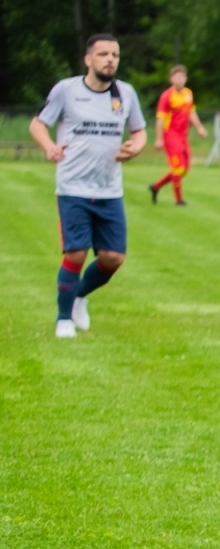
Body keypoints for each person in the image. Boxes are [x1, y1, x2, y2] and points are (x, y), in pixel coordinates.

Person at [30, 34, 147, 339]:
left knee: (113, 258)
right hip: (73, 187)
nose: (110, 59)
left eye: (115, 54)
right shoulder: (66, 90)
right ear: (88, 59)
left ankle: (79, 296)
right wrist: (48, 147)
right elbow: (38, 124)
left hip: (110, 189)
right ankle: (63, 319)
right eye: (103, 54)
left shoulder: (126, 93)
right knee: (77, 254)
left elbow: (140, 131)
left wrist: (135, 148)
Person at [149, 64, 207, 205]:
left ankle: (156, 186)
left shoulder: (188, 93)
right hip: (170, 135)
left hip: (183, 136)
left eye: (182, 77)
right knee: (178, 168)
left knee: (184, 169)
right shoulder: (167, 96)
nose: (179, 80)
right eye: (176, 77)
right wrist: (159, 139)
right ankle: (179, 200)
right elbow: (160, 119)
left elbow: (191, 112)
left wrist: (199, 128)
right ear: (171, 79)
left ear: (185, 79)